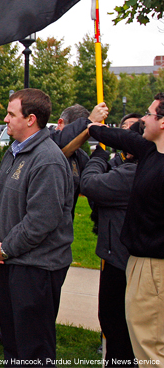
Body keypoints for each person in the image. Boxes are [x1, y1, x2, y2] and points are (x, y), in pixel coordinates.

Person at [0, 88, 74, 365]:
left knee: (33, 346)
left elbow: (41, 219)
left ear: (30, 119)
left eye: (11, 114)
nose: (6, 119)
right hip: (12, 261)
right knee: (11, 339)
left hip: (38, 267)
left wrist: (5, 248)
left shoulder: (47, 160)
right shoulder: (14, 153)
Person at [88, 93, 164, 363]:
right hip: (138, 262)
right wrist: (93, 126)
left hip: (155, 267)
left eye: (149, 114)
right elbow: (123, 138)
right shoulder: (150, 151)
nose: (143, 119)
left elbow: (91, 185)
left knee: (151, 345)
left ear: (163, 122)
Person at [80, 121, 142, 364]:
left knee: (116, 327)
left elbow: (91, 185)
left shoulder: (131, 174)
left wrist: (98, 157)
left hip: (120, 262)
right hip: (128, 258)